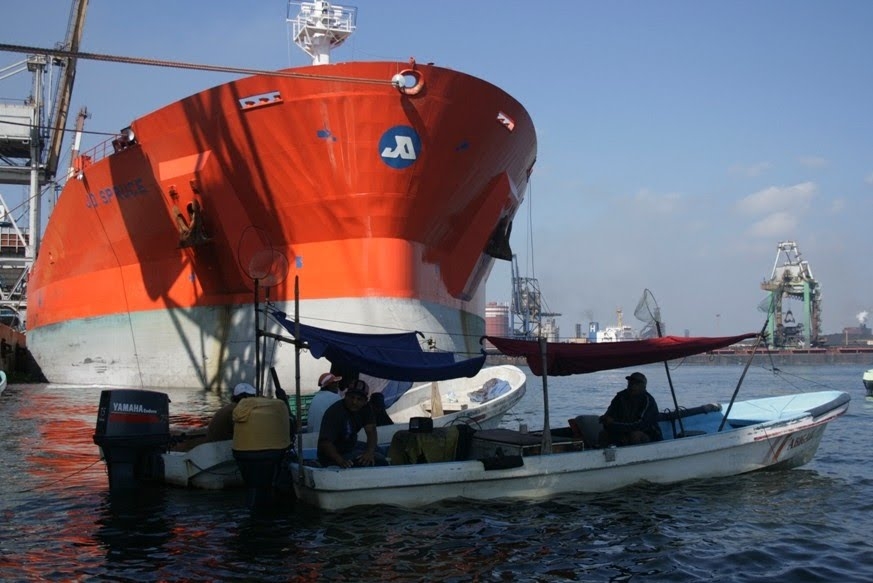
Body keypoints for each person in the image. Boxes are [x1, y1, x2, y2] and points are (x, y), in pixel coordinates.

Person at [317, 379, 388, 468]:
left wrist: (369, 452)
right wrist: (341, 461)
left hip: (350, 445)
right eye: (352, 397)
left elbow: (371, 431)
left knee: (379, 451)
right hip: (334, 454)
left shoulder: (366, 409)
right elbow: (325, 443)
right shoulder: (335, 412)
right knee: (380, 460)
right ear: (346, 396)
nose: (354, 402)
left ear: (365, 401)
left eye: (359, 399)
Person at [597, 372, 663, 447]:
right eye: (630, 383)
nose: (632, 386)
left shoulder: (647, 401)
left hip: (649, 435)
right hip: (623, 431)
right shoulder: (620, 397)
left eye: (636, 384)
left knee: (635, 435)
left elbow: (640, 425)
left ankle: (639, 457)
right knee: (603, 434)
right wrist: (605, 419)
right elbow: (609, 416)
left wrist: (614, 424)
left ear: (643, 386)